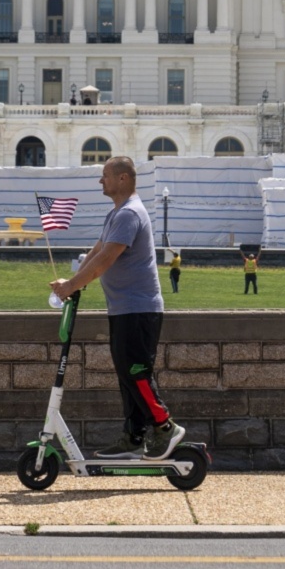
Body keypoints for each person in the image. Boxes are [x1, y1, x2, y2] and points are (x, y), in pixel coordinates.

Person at [51, 155, 184, 460]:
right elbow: (96, 253)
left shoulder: (129, 214)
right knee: (128, 373)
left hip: (138, 309)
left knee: (136, 372)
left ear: (123, 179)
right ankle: (134, 437)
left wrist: (72, 286)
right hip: (126, 309)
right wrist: (69, 281)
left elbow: (107, 259)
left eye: (105, 176)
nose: (101, 181)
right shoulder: (117, 214)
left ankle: (165, 427)